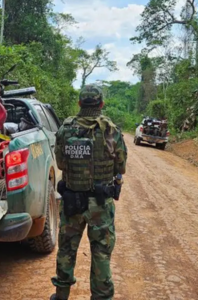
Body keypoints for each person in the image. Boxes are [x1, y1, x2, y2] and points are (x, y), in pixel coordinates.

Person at [50, 84, 127, 300]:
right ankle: (101, 297)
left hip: (72, 201)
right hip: (101, 204)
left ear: (79, 104)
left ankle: (61, 294)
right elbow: (120, 167)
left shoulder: (65, 129)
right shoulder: (111, 130)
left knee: (66, 249)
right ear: (101, 104)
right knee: (101, 253)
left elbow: (62, 163)